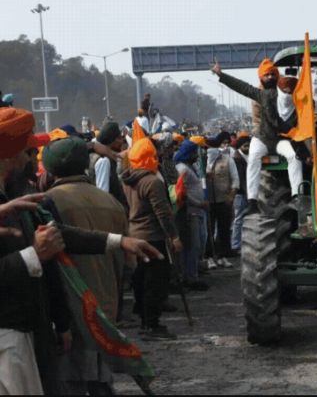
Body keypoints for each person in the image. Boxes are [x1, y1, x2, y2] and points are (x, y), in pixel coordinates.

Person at [0, 107, 162, 394]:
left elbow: (57, 235)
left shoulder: (20, 200)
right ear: (11, 155)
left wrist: (119, 241)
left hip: (36, 328)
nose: (32, 159)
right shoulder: (25, 201)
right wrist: (33, 256)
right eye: (28, 151)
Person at [41, 137, 130, 394]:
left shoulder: (47, 203)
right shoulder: (112, 202)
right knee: (101, 378)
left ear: (50, 169)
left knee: (72, 380)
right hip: (106, 308)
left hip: (70, 309)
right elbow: (128, 264)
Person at [211, 59, 303, 215]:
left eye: (272, 74)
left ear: (277, 76)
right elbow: (241, 87)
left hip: (281, 139)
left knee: (294, 157)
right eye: (266, 75)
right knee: (253, 157)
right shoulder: (260, 94)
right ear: (261, 78)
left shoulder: (291, 94)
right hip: (262, 138)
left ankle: (297, 196)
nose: (269, 77)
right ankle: (252, 200)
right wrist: (221, 74)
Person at [120, 137, 183, 341]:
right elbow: (163, 213)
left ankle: (145, 320)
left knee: (140, 280)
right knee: (155, 282)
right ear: (150, 158)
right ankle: (151, 325)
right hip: (153, 237)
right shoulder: (152, 182)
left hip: (134, 234)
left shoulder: (127, 180)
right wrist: (173, 236)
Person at [174, 140, 210, 291]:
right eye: (194, 152)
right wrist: (198, 203)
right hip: (191, 212)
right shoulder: (182, 169)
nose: (196, 155)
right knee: (192, 246)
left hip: (197, 211)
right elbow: (182, 193)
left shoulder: (190, 167)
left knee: (198, 244)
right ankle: (190, 277)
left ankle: (193, 274)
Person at [206, 132, 239, 265]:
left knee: (224, 229)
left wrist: (231, 196)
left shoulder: (228, 159)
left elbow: (235, 179)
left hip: (224, 201)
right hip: (208, 202)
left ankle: (221, 256)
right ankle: (208, 257)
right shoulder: (203, 162)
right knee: (208, 231)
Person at [88, 121, 127, 207]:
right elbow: (103, 194)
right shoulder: (104, 161)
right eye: (120, 138)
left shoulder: (93, 155)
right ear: (113, 140)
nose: (122, 141)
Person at [230, 132, 250, 256]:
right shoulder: (237, 159)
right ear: (240, 146)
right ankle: (235, 244)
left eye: (249, 146)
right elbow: (241, 178)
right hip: (240, 194)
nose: (248, 148)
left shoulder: (245, 157)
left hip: (245, 192)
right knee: (238, 220)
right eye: (245, 146)